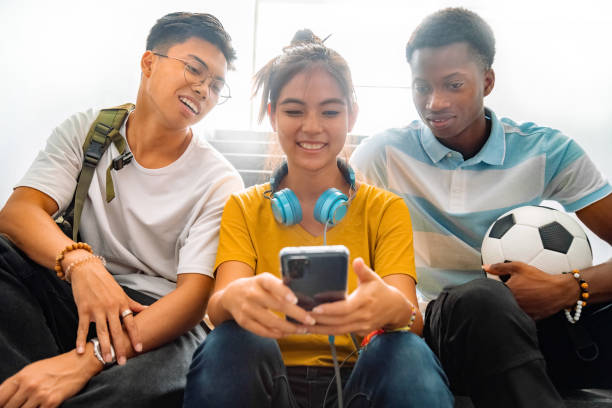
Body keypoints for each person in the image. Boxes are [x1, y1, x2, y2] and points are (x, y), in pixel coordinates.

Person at [350, 7, 612, 408]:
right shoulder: (380, 156)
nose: (435, 103)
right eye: (422, 87)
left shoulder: (548, 151)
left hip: (536, 328)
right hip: (435, 327)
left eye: (454, 85)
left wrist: (566, 289)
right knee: (484, 299)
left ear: (487, 81)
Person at [182, 30, 453, 408]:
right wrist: (234, 299)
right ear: (273, 115)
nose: (312, 127)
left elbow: (412, 320)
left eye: (329, 111)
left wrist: (391, 308)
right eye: (294, 111)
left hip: (357, 380)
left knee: (406, 349)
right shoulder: (243, 207)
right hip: (268, 377)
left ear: (351, 115)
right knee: (229, 341)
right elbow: (218, 306)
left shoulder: (385, 209)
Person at [0, 12, 243, 408]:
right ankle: (31, 383)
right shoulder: (88, 130)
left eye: (216, 85)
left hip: (157, 318)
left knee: (152, 382)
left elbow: (193, 298)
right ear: (149, 63)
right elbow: (18, 213)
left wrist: (87, 361)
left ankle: (49, 379)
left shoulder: (219, 181)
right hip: (76, 294)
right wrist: (82, 264)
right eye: (194, 70)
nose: (203, 90)